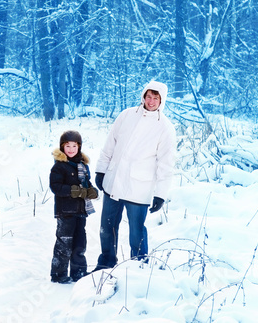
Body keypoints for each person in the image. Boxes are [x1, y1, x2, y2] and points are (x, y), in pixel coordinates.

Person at [93, 80, 176, 271]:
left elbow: (165, 164)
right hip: (114, 182)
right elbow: (110, 145)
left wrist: (160, 194)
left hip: (139, 188)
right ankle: (106, 263)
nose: (151, 101)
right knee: (107, 228)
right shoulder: (127, 115)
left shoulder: (165, 127)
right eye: (148, 96)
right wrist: (101, 169)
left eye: (156, 98)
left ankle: (138, 267)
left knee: (137, 231)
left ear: (161, 100)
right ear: (143, 96)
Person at [49, 130, 99, 283]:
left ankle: (79, 273)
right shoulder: (59, 167)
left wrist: (91, 191)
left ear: (79, 147)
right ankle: (59, 274)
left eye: (74, 146)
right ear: (62, 147)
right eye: (67, 146)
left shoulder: (83, 165)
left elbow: (86, 183)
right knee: (64, 242)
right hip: (65, 211)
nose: (71, 149)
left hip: (80, 211)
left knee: (79, 242)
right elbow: (55, 187)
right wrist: (73, 191)